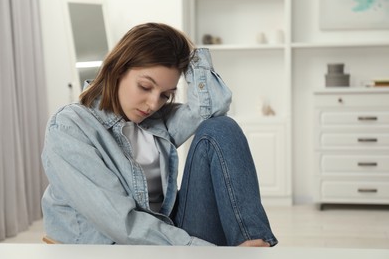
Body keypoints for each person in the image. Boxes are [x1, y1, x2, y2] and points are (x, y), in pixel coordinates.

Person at [41, 22, 278, 247]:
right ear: (117, 69)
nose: (153, 103)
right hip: (114, 246)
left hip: (164, 235)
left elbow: (214, 107)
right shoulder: (70, 127)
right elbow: (122, 224)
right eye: (145, 87)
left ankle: (255, 247)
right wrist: (206, 251)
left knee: (221, 127)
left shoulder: (154, 121)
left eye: (166, 95)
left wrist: (189, 55)